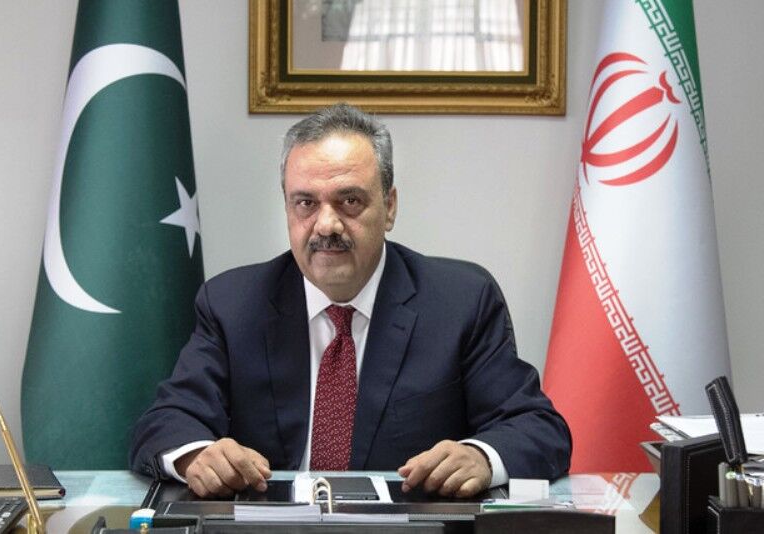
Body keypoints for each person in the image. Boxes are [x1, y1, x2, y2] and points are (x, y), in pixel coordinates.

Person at [129, 103, 571, 498]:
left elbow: (538, 429)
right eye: (306, 203)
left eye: (350, 201)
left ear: (390, 207)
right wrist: (197, 456)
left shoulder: (460, 303)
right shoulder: (233, 304)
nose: (326, 225)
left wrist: (480, 456)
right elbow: (165, 420)